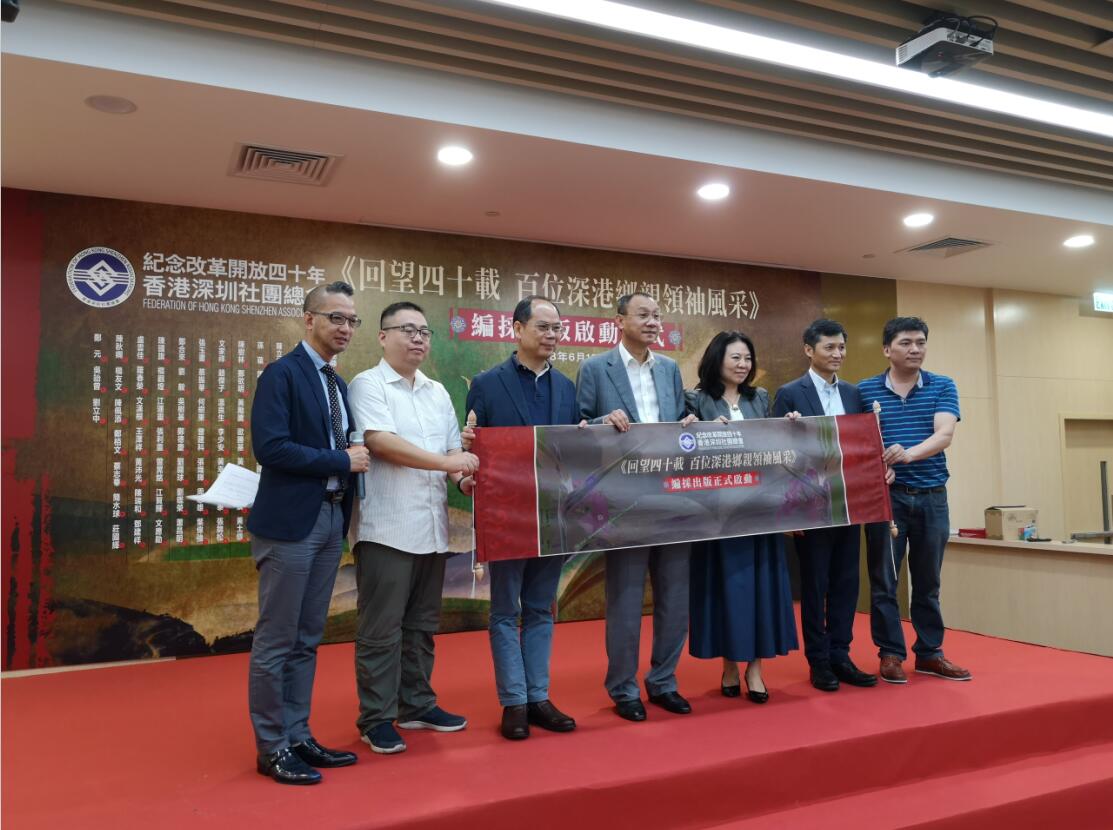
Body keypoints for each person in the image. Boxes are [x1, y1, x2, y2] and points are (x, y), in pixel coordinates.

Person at [247, 281, 370, 785]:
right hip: (291, 524)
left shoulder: (337, 383)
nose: (345, 328)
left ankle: (298, 735)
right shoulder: (282, 374)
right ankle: (271, 746)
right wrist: (341, 459)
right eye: (335, 317)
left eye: (351, 320)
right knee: (277, 639)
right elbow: (271, 448)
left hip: (331, 517)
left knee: (306, 638)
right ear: (309, 319)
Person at [346, 301, 480, 754]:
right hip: (386, 526)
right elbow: (380, 442)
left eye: (424, 331)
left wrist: (463, 479)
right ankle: (376, 717)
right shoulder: (367, 384)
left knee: (421, 624)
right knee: (381, 628)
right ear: (383, 337)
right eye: (407, 329)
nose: (418, 338)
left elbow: (452, 455)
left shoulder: (437, 391)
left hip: (431, 526)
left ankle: (417, 704)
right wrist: (447, 463)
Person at [462, 296, 581, 741]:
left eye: (557, 328)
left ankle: (538, 697)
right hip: (505, 516)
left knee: (540, 608)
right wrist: (467, 471)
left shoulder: (567, 388)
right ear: (516, 329)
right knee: (504, 610)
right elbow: (472, 448)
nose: (552, 335)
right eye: (543, 327)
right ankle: (513, 701)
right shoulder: (486, 384)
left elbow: (574, 451)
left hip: (552, 515)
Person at [575, 291, 696, 722]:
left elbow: (678, 422)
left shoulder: (669, 369)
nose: (652, 322)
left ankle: (664, 681)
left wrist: (688, 424)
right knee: (625, 600)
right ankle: (623, 687)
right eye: (643, 314)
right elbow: (576, 428)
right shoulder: (595, 368)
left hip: (671, 496)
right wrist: (600, 423)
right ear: (619, 321)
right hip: (623, 500)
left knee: (675, 596)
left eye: (657, 315)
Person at [686, 331, 799, 703]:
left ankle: (755, 669)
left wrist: (790, 425)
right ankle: (729, 665)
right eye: (735, 357)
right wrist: (698, 431)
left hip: (759, 510)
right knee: (727, 590)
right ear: (717, 359)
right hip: (718, 515)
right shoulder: (696, 400)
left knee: (760, 590)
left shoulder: (760, 398)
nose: (743, 365)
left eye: (747, 358)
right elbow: (683, 454)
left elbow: (772, 446)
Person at [858, 317, 970, 684]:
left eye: (920, 342)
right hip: (886, 500)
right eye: (906, 343)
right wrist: (877, 468)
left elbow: (944, 434)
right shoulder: (865, 391)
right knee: (884, 581)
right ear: (886, 349)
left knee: (928, 582)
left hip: (932, 497)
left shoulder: (942, 384)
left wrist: (907, 455)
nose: (915, 349)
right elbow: (856, 443)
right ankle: (890, 653)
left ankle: (930, 653)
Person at [773, 319, 877, 692]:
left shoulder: (854, 394)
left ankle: (841, 655)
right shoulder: (790, 393)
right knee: (816, 585)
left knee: (846, 583)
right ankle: (818, 661)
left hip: (849, 502)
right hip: (810, 507)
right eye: (829, 347)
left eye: (841, 347)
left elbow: (862, 446)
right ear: (809, 350)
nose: (837, 354)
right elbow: (780, 454)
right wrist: (789, 512)